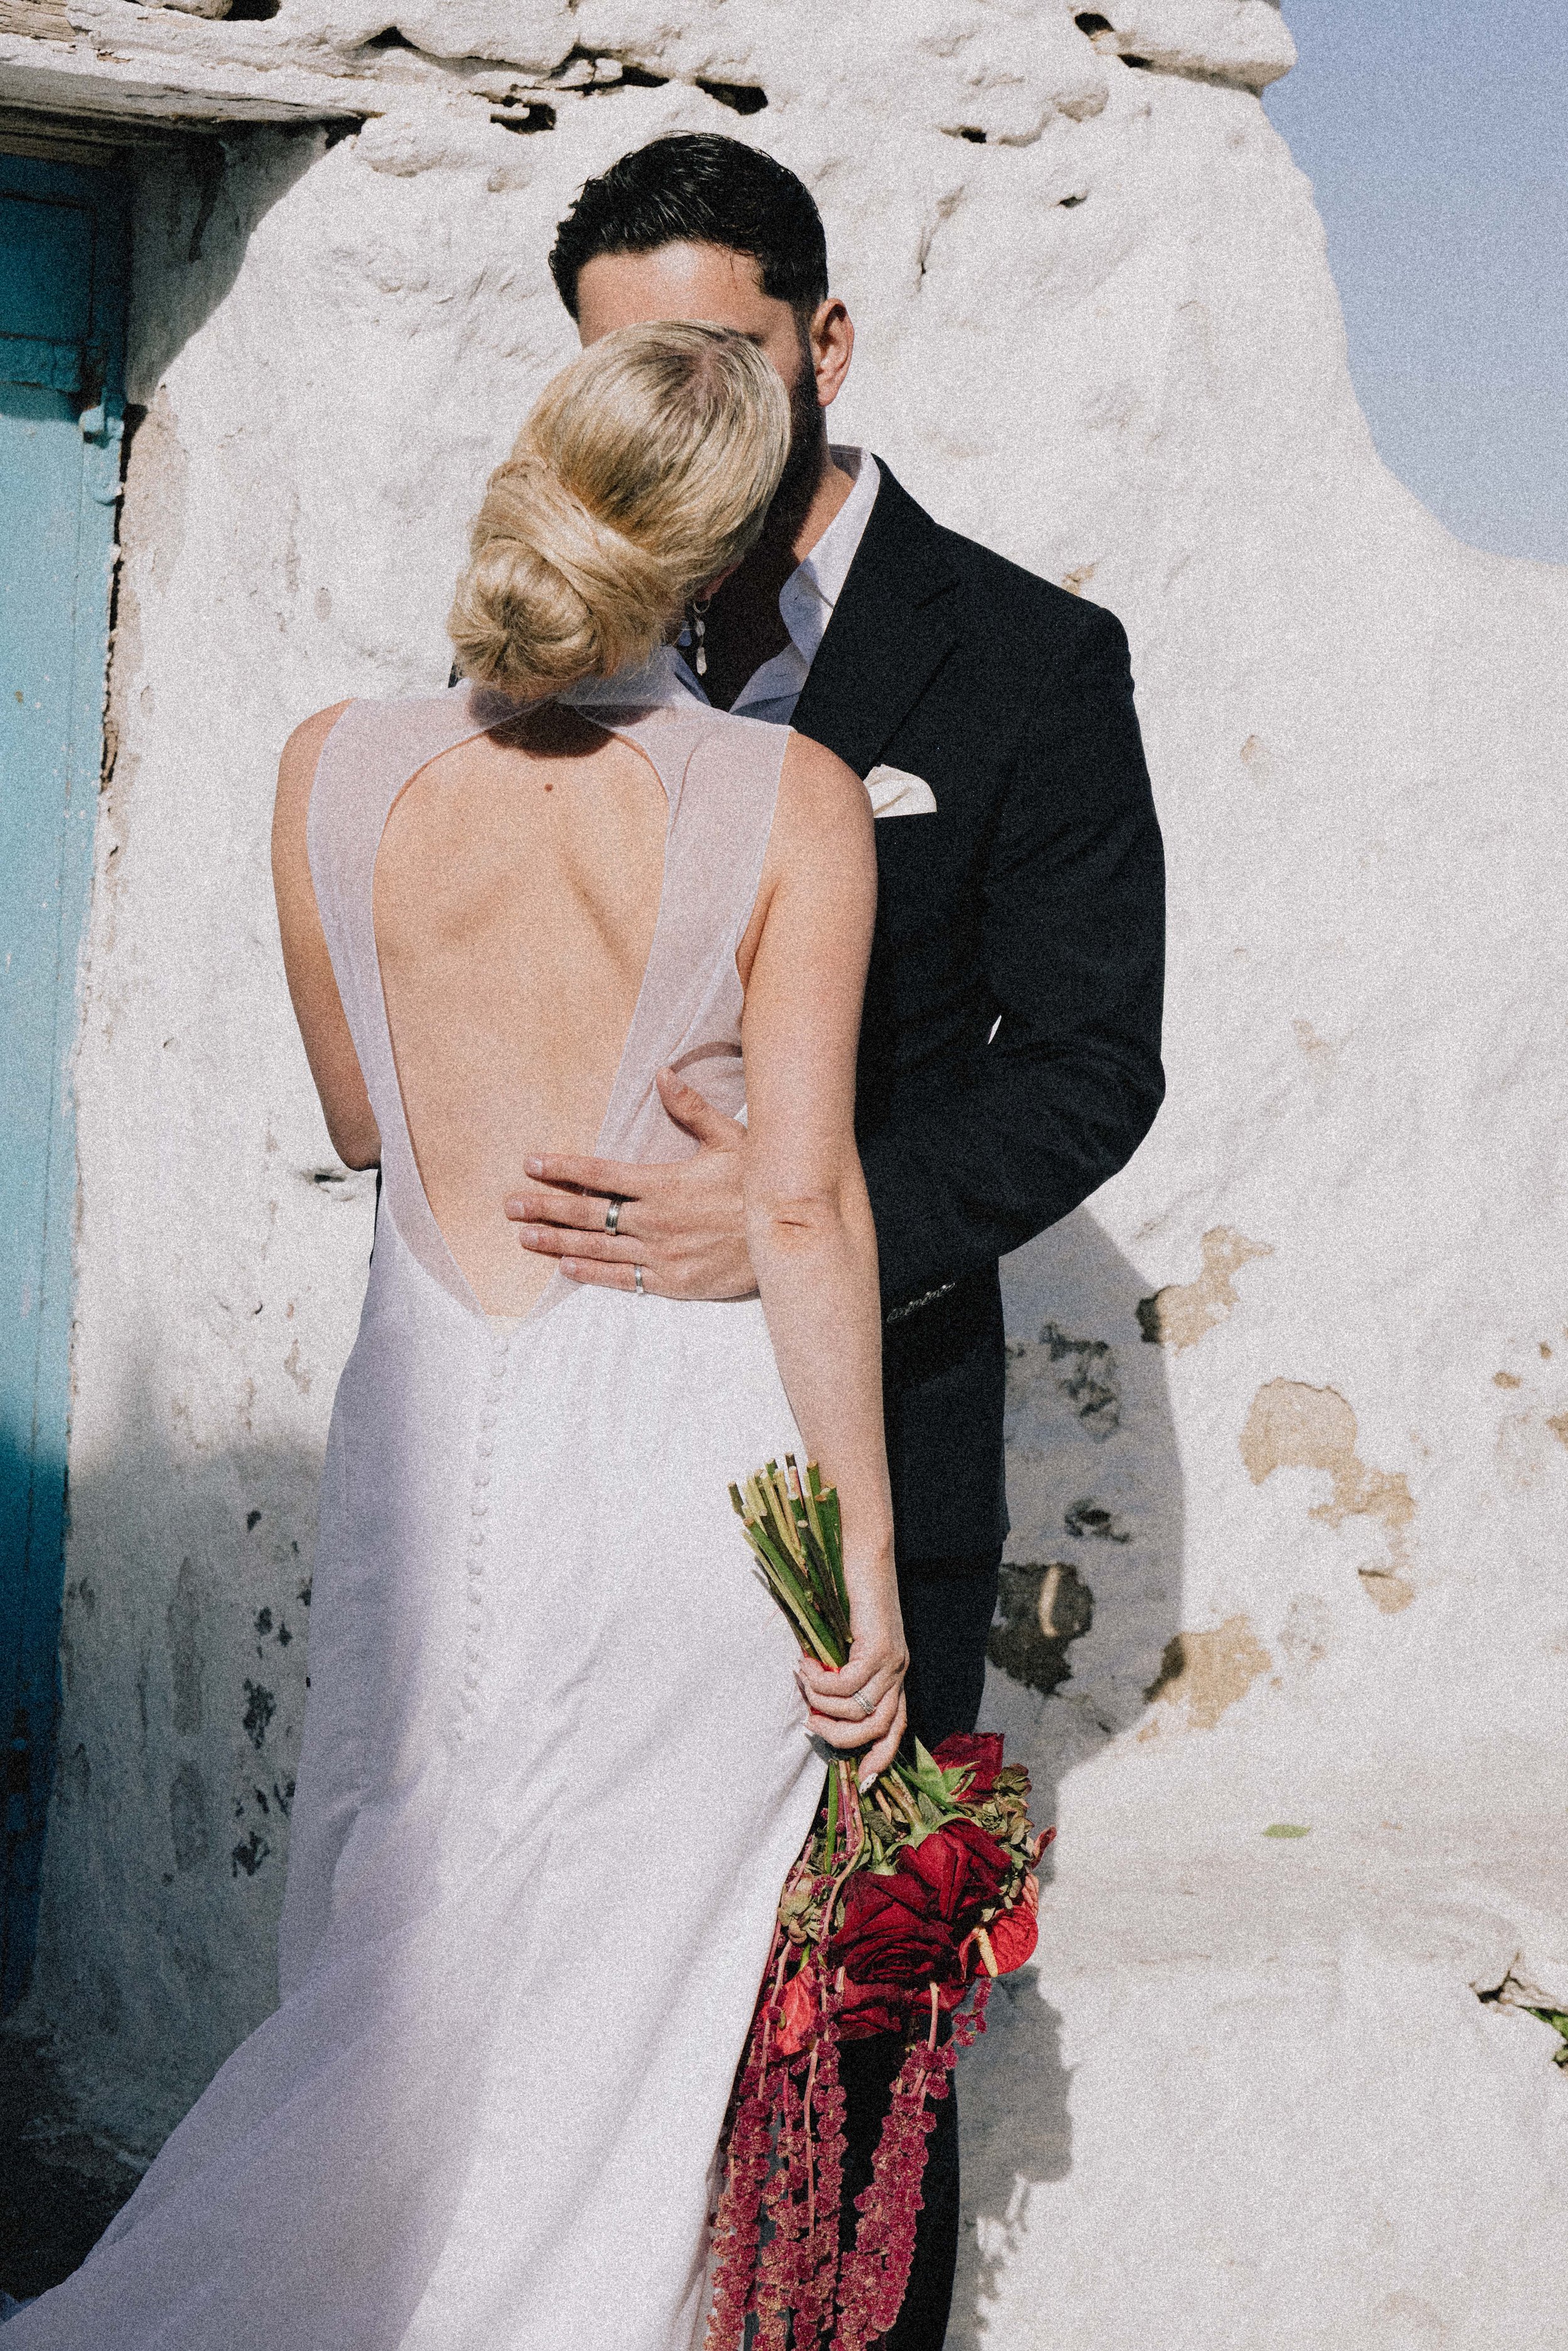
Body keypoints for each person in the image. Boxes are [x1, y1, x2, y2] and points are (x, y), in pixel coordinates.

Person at [6, 324, 908, 2348]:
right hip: (677, 1447)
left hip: (427, 1431)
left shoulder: (332, 761)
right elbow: (797, 1201)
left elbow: (363, 1124)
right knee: (621, 2011)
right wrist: (860, 1556)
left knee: (392, 1949)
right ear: (737, 541)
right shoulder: (791, 794)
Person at [504, 134, 1168, 2348]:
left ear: (828, 345)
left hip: (872, 1416)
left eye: (718, 356)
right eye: (624, 368)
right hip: (572, 1421)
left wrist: (794, 1227)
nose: (670, 413)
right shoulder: (549, 658)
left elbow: (1089, 1065)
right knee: (587, 1984)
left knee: (854, 2009)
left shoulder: (1032, 659)